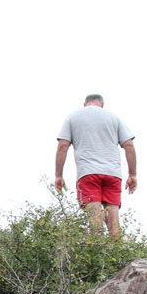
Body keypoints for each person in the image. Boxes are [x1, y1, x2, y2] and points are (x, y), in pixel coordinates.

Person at [55, 94, 137, 236]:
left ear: (84, 104)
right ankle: (117, 255)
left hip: (88, 173)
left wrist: (58, 175)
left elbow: (63, 145)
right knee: (114, 223)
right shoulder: (114, 117)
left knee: (95, 221)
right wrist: (132, 174)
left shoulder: (73, 117)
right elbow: (129, 144)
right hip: (113, 174)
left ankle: (97, 254)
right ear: (102, 105)